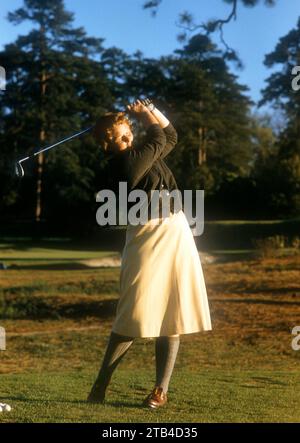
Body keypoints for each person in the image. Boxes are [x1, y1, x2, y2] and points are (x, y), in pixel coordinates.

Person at [87, 99, 212, 409]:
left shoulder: (143, 153)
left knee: (174, 312)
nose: (128, 136)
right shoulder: (125, 164)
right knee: (132, 312)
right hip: (146, 235)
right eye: (120, 135)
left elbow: (170, 137)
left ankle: (160, 390)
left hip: (176, 230)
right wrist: (145, 116)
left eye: (128, 130)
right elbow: (158, 138)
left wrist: (152, 109)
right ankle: (100, 386)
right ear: (108, 144)